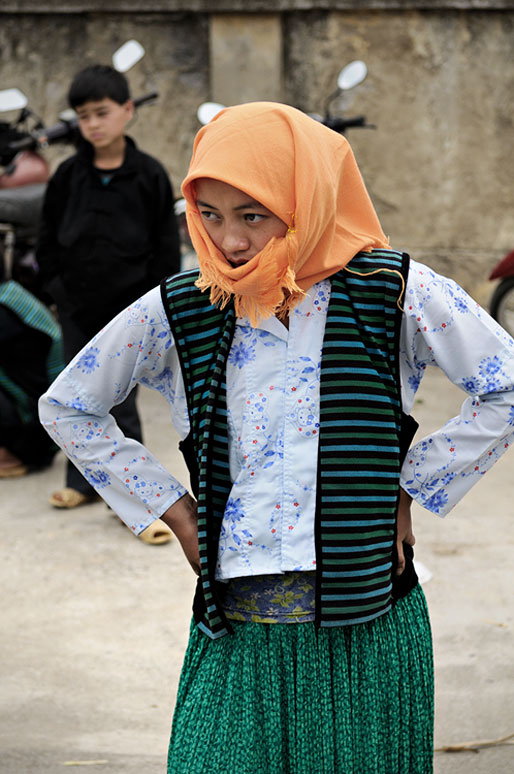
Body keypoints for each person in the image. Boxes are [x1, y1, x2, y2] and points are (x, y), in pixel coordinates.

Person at [39, 103, 514, 773]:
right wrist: (174, 512)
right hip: (238, 629)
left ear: (308, 200)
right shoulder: (185, 306)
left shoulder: (393, 292)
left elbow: (505, 383)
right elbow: (70, 406)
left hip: (368, 627)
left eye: (252, 215)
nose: (229, 242)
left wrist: (411, 487)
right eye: (210, 215)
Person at [36, 63, 181, 524]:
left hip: (129, 311)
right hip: (77, 306)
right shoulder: (67, 176)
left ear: (127, 111)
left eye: (102, 112)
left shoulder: (150, 176)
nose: (93, 124)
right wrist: (58, 292)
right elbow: (46, 241)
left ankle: (130, 500)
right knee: (76, 397)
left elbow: (165, 248)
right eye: (83, 116)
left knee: (123, 402)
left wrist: (153, 304)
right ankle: (79, 484)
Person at [0, 265, 63, 477]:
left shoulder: (4, 312)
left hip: (34, 433)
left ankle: (10, 453)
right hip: (47, 421)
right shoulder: (9, 292)